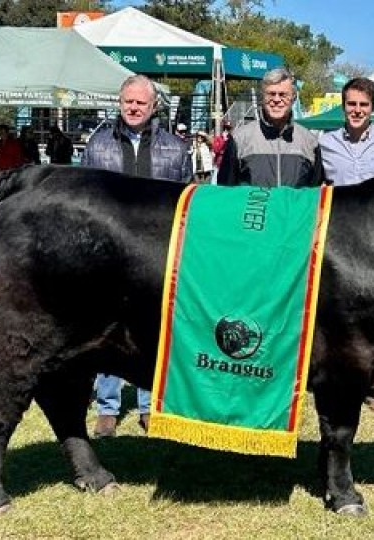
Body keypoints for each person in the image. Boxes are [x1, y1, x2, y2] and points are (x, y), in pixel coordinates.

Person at [83, 74, 191, 437]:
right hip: (108, 254)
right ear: (120, 102)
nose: (133, 107)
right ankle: (107, 407)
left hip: (156, 254)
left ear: (154, 106)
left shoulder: (176, 149)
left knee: (153, 329)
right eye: (128, 101)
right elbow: (84, 202)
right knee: (107, 330)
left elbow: (187, 201)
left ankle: (150, 404)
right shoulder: (97, 146)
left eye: (140, 103)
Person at [216, 67, 323, 187]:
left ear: (293, 98)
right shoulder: (239, 139)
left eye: (283, 95)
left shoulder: (310, 142)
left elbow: (316, 195)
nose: (277, 99)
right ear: (262, 97)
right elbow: (224, 192)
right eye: (271, 94)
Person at [319, 77, 374, 186]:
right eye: (351, 104)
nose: (357, 110)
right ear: (343, 106)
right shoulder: (325, 144)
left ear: (373, 108)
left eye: (364, 104)